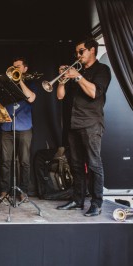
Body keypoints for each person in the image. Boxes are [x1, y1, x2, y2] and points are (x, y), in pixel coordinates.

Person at [56, 38, 111, 217]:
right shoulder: (76, 72)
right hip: (73, 123)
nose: (78, 55)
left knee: (94, 164)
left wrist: (77, 76)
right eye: (77, 53)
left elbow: (94, 93)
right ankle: (77, 200)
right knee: (76, 165)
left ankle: (96, 203)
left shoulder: (102, 70)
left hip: (91, 123)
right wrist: (62, 81)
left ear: (92, 50)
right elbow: (60, 96)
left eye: (81, 51)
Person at [0, 57, 36, 202]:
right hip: (6, 127)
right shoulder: (5, 85)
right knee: (5, 161)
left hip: (24, 126)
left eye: (18, 67)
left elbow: (31, 98)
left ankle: (23, 192)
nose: (15, 69)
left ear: (25, 69)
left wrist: (19, 80)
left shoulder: (31, 83)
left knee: (24, 162)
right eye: (13, 67)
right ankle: (3, 190)